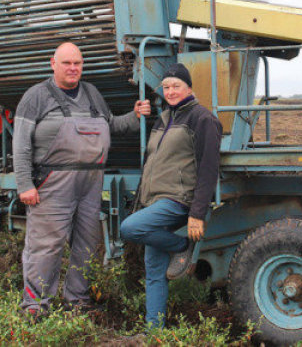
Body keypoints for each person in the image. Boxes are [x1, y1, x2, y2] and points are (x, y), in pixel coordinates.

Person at [14, 42, 150, 317]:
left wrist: (134, 116)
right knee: (46, 245)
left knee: (87, 243)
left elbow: (111, 125)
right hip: (53, 181)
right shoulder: (36, 96)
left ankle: (77, 300)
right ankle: (35, 306)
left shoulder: (91, 93)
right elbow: (20, 144)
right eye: (67, 63)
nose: (73, 68)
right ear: (53, 63)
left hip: (91, 182)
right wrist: (25, 184)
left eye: (77, 63)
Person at [119, 63, 222, 329]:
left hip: (178, 200)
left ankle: (180, 246)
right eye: (166, 87)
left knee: (129, 228)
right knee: (154, 273)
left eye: (176, 86)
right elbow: (151, 163)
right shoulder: (164, 119)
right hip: (154, 200)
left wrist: (197, 214)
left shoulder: (203, 119)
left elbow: (209, 169)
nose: (171, 91)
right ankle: (154, 332)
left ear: (189, 87)